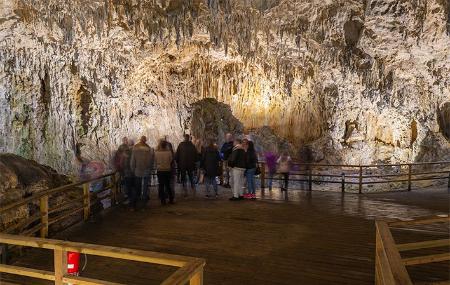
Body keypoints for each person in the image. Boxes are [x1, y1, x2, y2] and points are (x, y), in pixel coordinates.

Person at [130, 136, 154, 210]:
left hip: (138, 171)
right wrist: (150, 169)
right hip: (146, 171)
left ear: (140, 140)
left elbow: (132, 161)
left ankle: (134, 205)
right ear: (145, 140)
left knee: (137, 188)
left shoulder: (135, 148)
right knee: (145, 189)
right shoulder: (149, 149)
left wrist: (133, 170)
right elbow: (151, 161)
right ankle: (143, 205)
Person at [155, 140, 174, 205]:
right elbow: (171, 160)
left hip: (160, 170)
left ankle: (163, 201)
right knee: (168, 185)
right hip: (167, 169)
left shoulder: (156, 152)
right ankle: (171, 199)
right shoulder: (169, 152)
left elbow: (155, 161)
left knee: (161, 185)